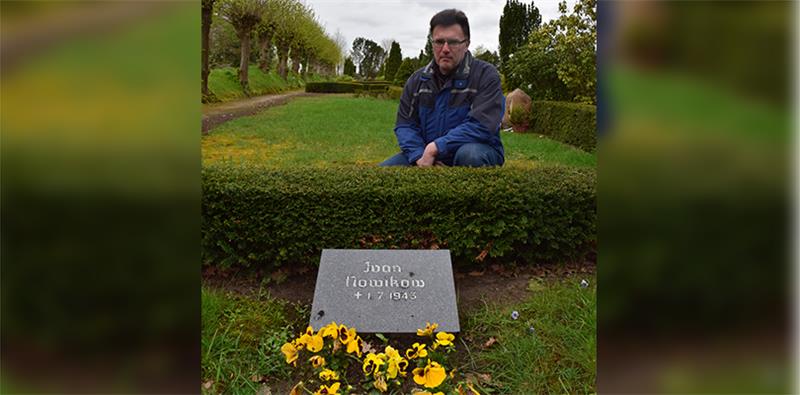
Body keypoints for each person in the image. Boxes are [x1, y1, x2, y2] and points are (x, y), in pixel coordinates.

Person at [380, 9, 505, 167]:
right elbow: (405, 125)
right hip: (425, 155)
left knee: (469, 155)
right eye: (439, 42)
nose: (445, 49)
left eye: (452, 42)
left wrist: (436, 147)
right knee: (382, 173)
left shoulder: (485, 75)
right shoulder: (417, 81)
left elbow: (482, 125)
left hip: (478, 150)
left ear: (466, 44)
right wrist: (420, 156)